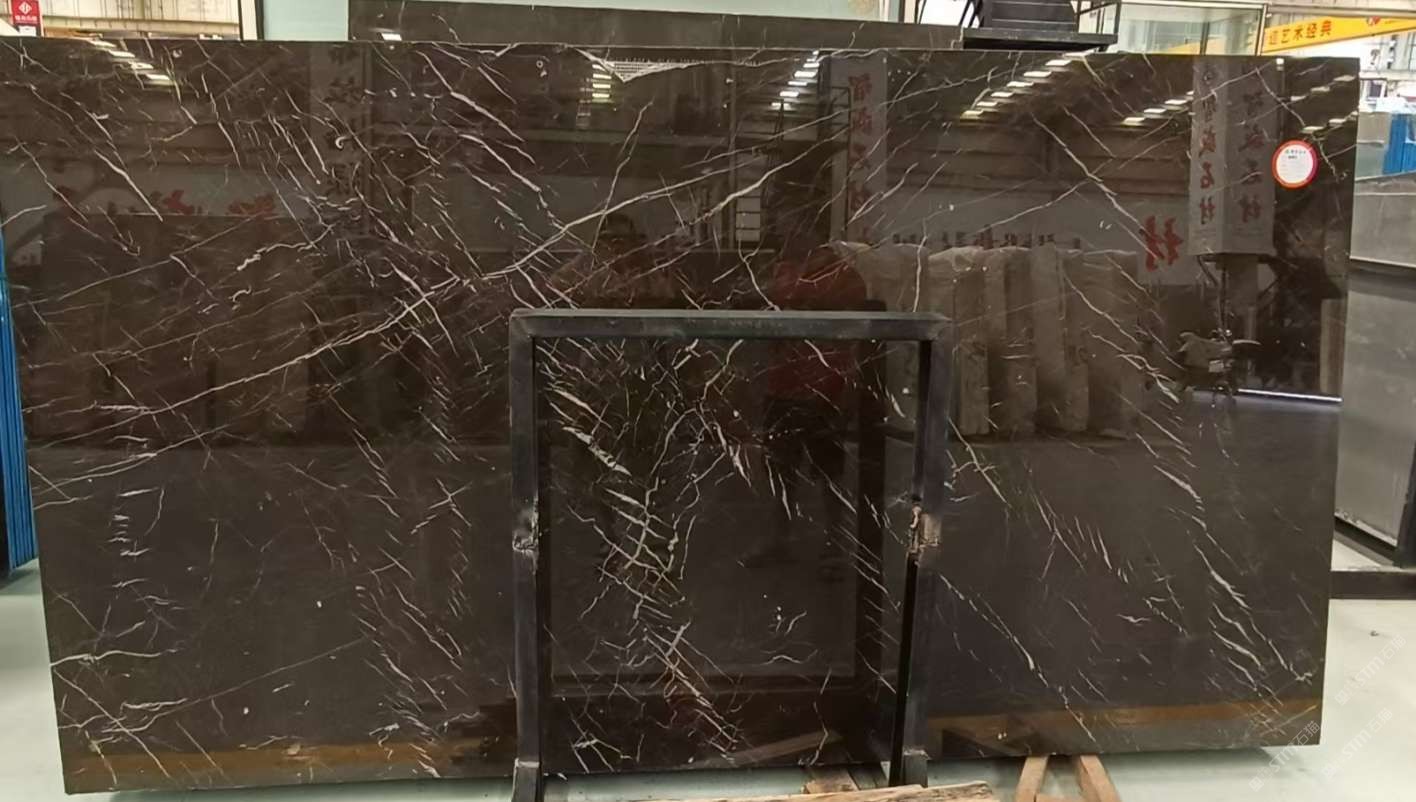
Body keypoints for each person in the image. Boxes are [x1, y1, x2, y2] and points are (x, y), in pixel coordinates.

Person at [757, 243, 867, 581]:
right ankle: (780, 539)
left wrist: (849, 389)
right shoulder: (784, 270)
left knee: (828, 472)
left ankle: (834, 545)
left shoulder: (843, 275)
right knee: (781, 469)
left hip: (824, 387)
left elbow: (854, 331)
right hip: (783, 386)